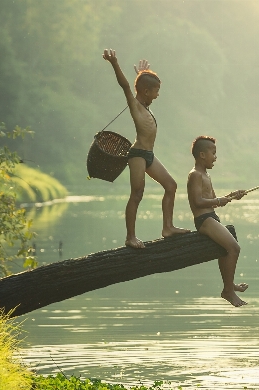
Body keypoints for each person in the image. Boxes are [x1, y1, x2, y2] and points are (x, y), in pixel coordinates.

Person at [102, 49, 188, 248]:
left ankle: (168, 227)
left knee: (171, 186)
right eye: (156, 92)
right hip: (138, 155)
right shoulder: (135, 105)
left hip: (149, 155)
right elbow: (126, 86)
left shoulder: (146, 104)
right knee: (137, 194)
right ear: (147, 92)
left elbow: (142, 88)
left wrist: (142, 75)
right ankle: (130, 237)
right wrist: (115, 62)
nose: (157, 96)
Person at [187, 135, 248, 307]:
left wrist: (232, 196)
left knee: (225, 250)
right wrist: (219, 201)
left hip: (211, 217)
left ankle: (230, 285)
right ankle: (228, 291)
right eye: (213, 153)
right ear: (202, 155)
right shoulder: (195, 175)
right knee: (234, 248)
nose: (215, 157)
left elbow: (213, 199)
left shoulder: (205, 175)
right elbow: (197, 201)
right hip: (204, 220)